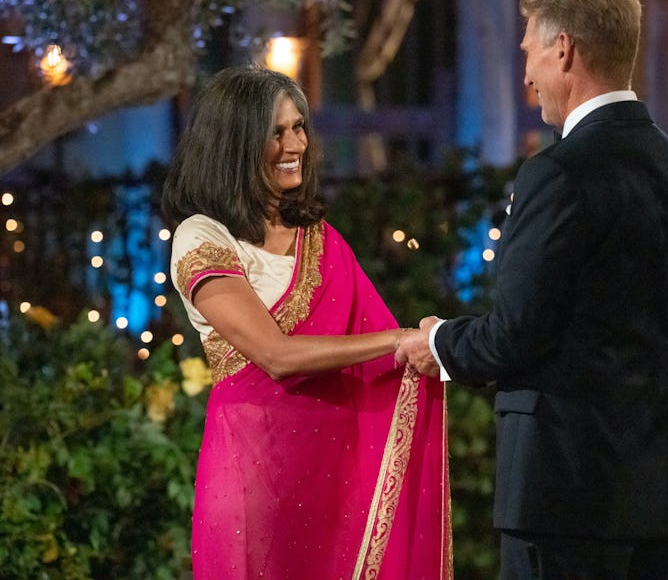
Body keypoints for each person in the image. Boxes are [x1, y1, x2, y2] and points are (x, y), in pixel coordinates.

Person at [396, 0, 668, 579]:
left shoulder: (557, 173)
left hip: (563, 497)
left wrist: (435, 341)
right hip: (656, 496)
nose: (526, 74)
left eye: (530, 53)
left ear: (563, 48)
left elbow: (515, 333)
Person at [162, 65, 452, 579]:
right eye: (276, 132)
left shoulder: (319, 237)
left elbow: (374, 354)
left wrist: (420, 346)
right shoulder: (202, 236)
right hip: (252, 476)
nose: (295, 143)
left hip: (332, 475)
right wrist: (402, 339)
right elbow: (276, 356)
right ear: (236, 142)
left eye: (299, 127)